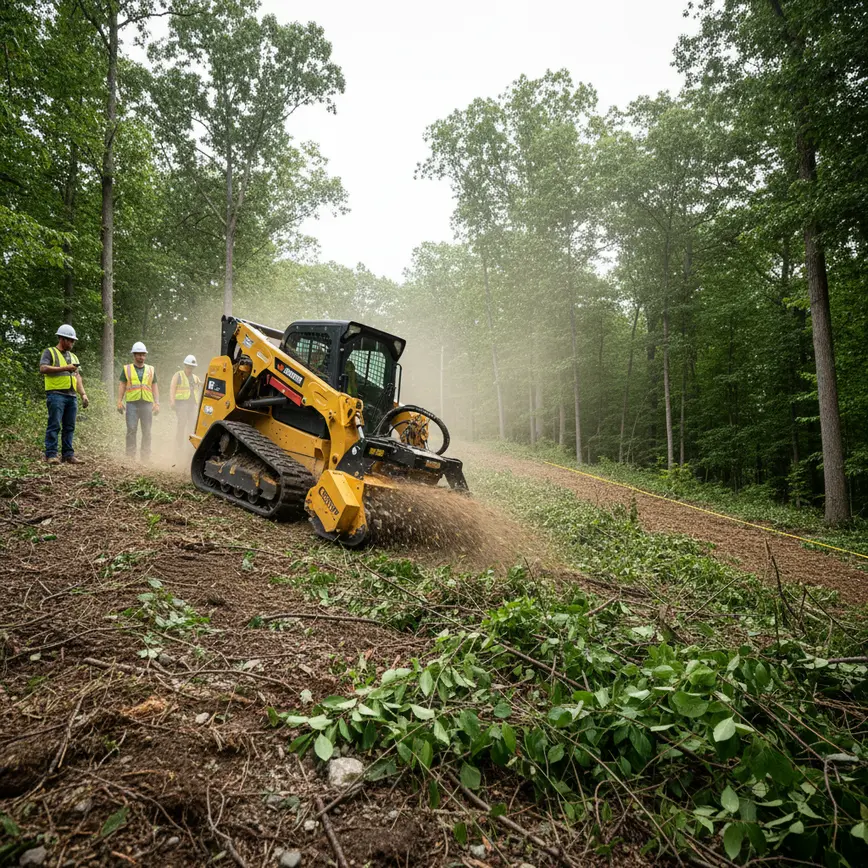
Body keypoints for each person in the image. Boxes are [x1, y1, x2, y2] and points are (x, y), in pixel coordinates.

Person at [39, 324, 89, 465]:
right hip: (56, 394)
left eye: (73, 341)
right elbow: (43, 368)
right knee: (54, 425)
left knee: (69, 426)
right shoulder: (50, 352)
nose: (72, 343)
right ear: (62, 339)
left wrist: (83, 394)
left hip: (71, 396)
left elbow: (77, 377)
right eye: (70, 340)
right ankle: (51, 455)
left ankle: (68, 455)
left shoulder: (73, 357)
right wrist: (65, 368)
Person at [117, 341, 160, 461]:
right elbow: (122, 385)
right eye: (139, 354)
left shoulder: (151, 369)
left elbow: (155, 386)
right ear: (134, 355)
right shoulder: (127, 369)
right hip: (132, 404)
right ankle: (130, 457)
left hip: (147, 403)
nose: (141, 357)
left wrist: (157, 403)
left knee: (147, 431)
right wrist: (119, 401)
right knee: (131, 429)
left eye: (143, 354)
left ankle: (145, 457)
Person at [169, 354, 201, 449]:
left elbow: (201, 385)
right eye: (189, 366)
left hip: (192, 404)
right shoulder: (178, 375)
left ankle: (189, 446)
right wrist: (172, 401)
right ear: (185, 365)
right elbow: (172, 387)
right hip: (181, 403)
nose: (190, 368)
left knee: (192, 425)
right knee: (181, 424)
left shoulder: (195, 377)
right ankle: (179, 445)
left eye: (192, 367)